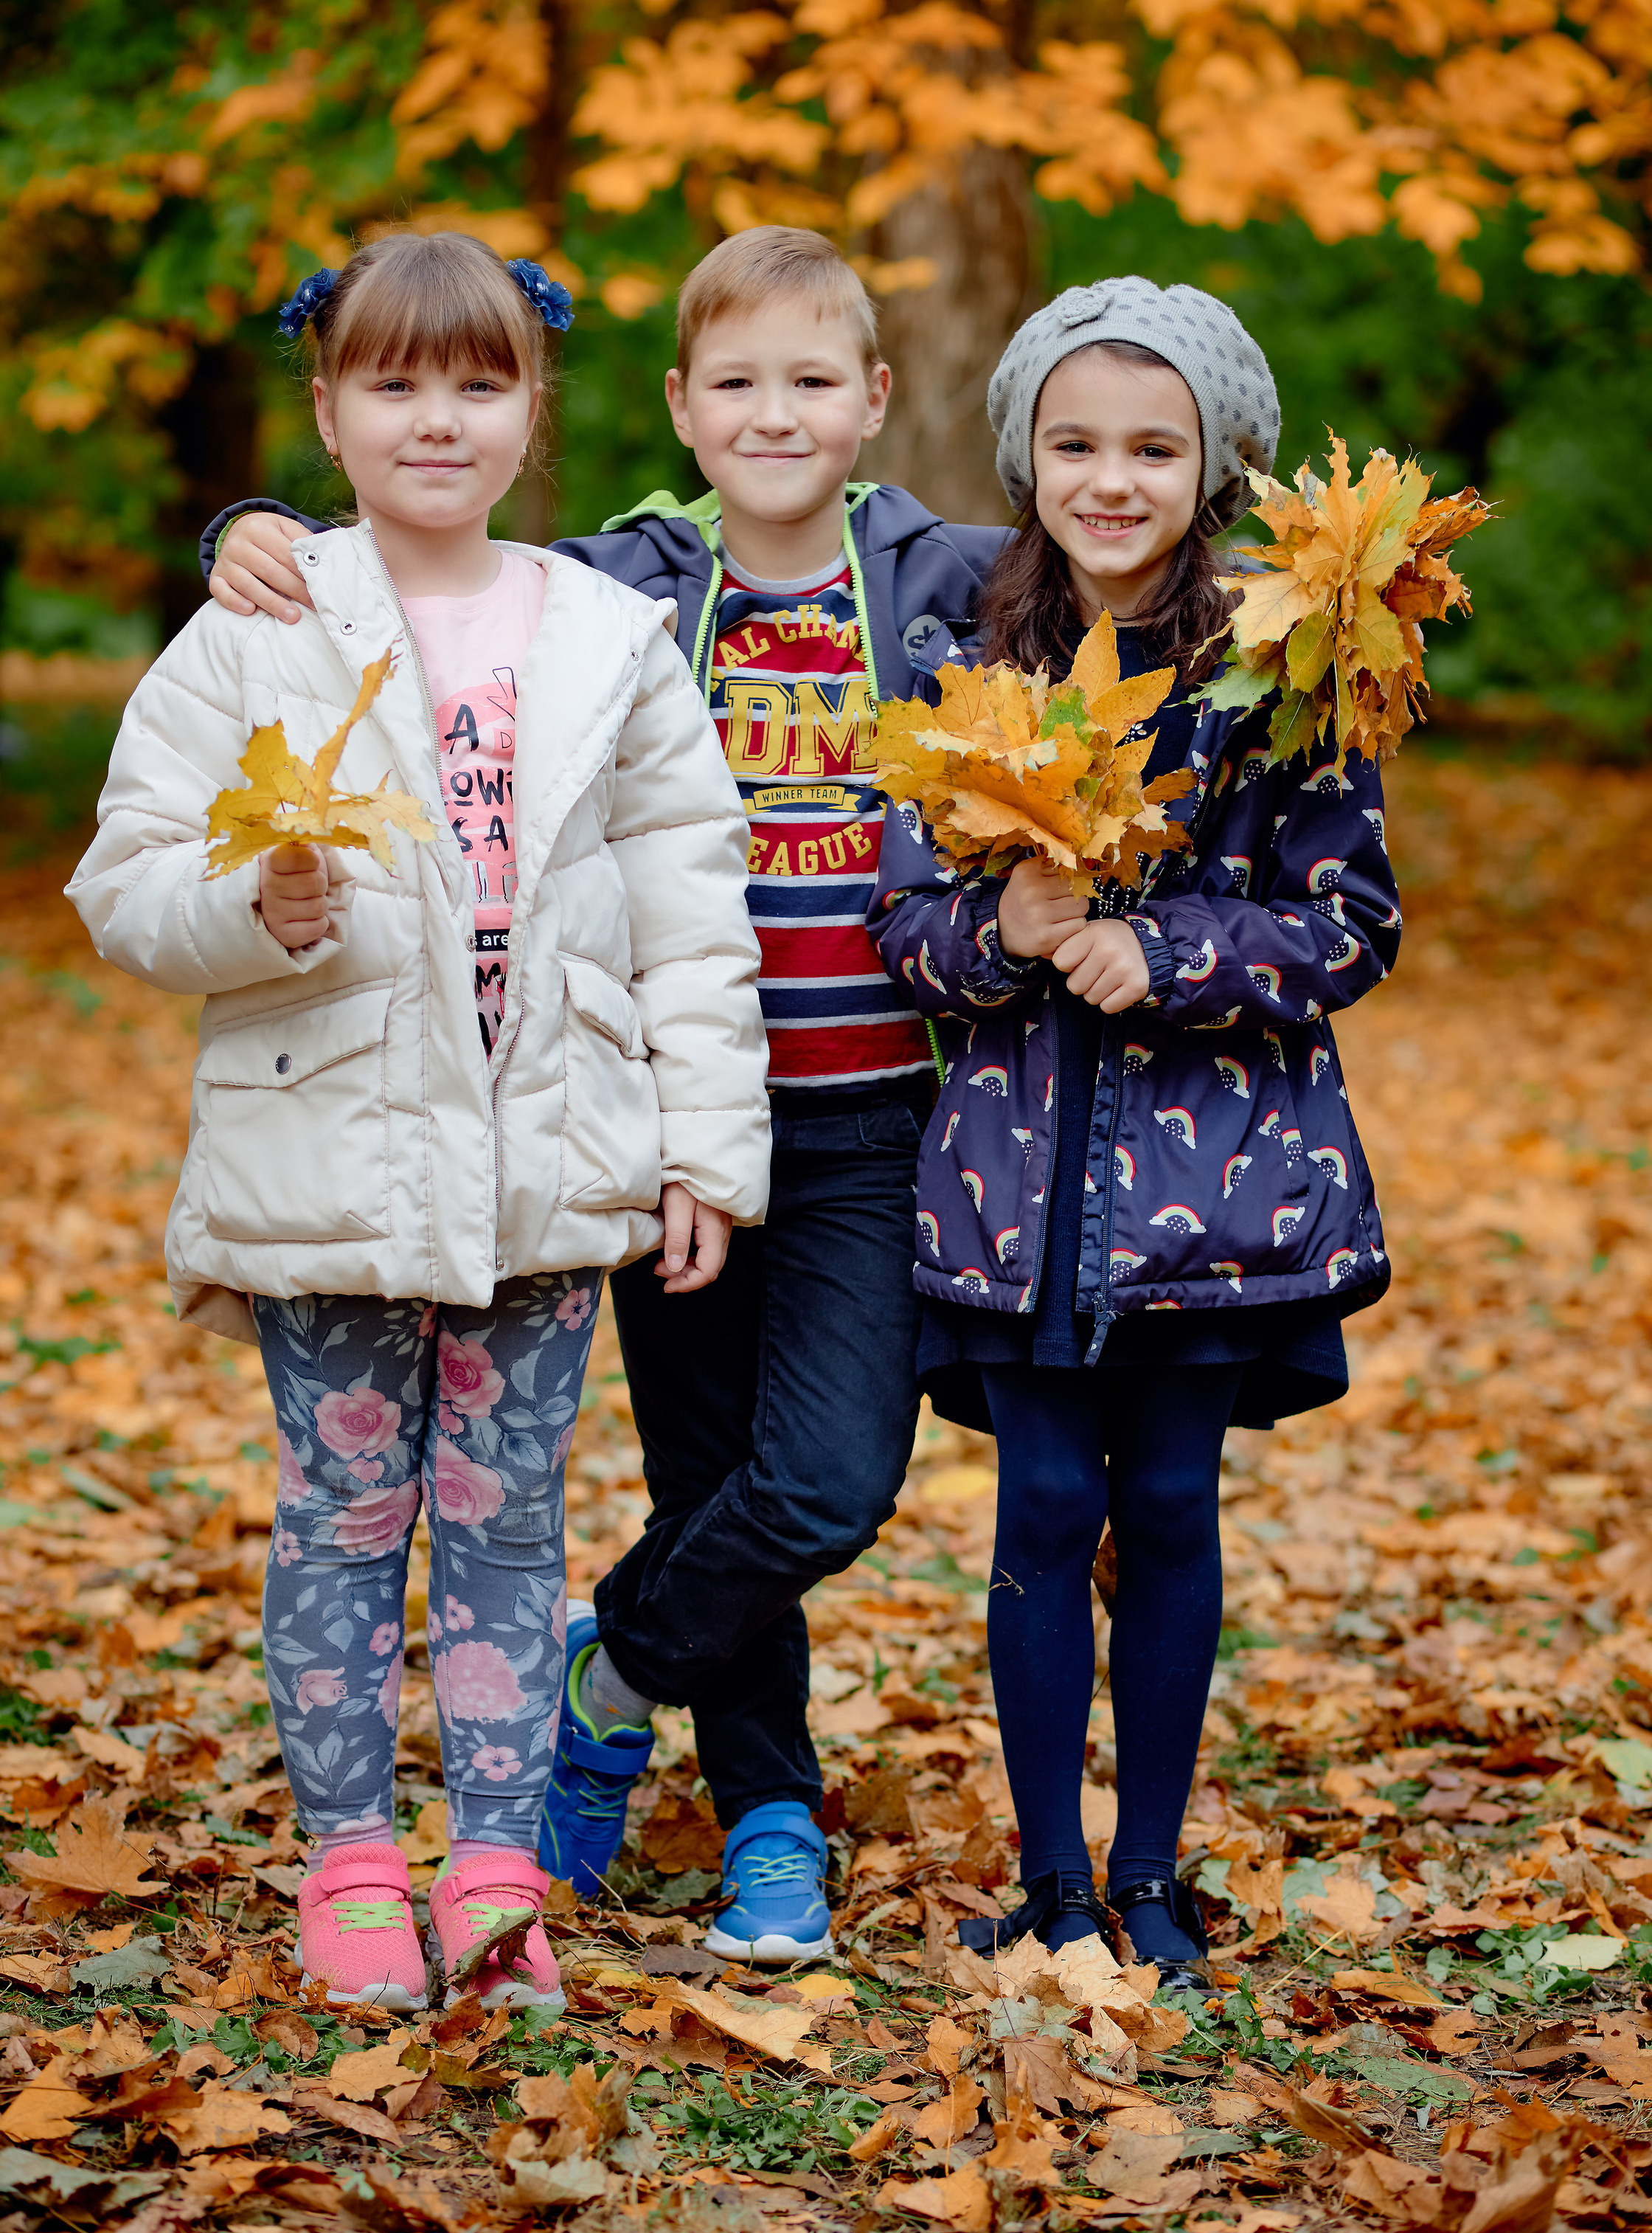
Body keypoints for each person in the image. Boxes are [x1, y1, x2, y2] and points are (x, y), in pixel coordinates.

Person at [196, 228, 1008, 1964]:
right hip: (631, 1118)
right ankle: (769, 1818)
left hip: (869, 1111)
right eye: (736, 383)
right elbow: (429, 564)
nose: (773, 415)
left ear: (874, 400)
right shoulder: (621, 583)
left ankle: (610, 1666)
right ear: (674, 406)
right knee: (713, 1468)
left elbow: (1125, 560)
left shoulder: (947, 581)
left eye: (813, 382)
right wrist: (240, 535)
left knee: (824, 1480)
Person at [68, 231, 768, 2014]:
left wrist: (705, 1147)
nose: (435, 420)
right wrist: (252, 915)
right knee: (344, 1509)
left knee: (512, 1517)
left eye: (478, 384)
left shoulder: (611, 639)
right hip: (335, 1150)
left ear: (533, 413)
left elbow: (694, 912)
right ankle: (351, 1862)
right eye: (392, 384)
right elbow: (131, 875)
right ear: (328, 409)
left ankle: (495, 1869)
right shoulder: (260, 623)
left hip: (544, 1157)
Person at [869, 279, 1401, 1986]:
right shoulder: (967, 653)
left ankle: (1152, 1868)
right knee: (1038, 1501)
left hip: (1216, 1185)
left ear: (1214, 464)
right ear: (1024, 451)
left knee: (1168, 1498)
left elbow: (1349, 924)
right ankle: (1046, 1872)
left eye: (1153, 446)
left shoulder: (1281, 673)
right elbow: (904, 926)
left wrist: (1167, 950)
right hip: (1013, 1182)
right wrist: (1000, 935)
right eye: (1076, 441)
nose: (1112, 477)